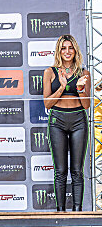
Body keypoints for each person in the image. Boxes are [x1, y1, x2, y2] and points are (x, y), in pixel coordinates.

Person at [43, 34, 90, 211]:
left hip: (78, 121)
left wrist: (80, 88)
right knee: (60, 171)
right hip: (57, 121)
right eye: (63, 48)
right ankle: (60, 212)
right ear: (59, 51)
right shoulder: (50, 72)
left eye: (70, 48)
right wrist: (62, 87)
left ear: (75, 50)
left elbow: (86, 105)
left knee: (77, 171)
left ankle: (78, 213)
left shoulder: (84, 73)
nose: (67, 51)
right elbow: (47, 104)